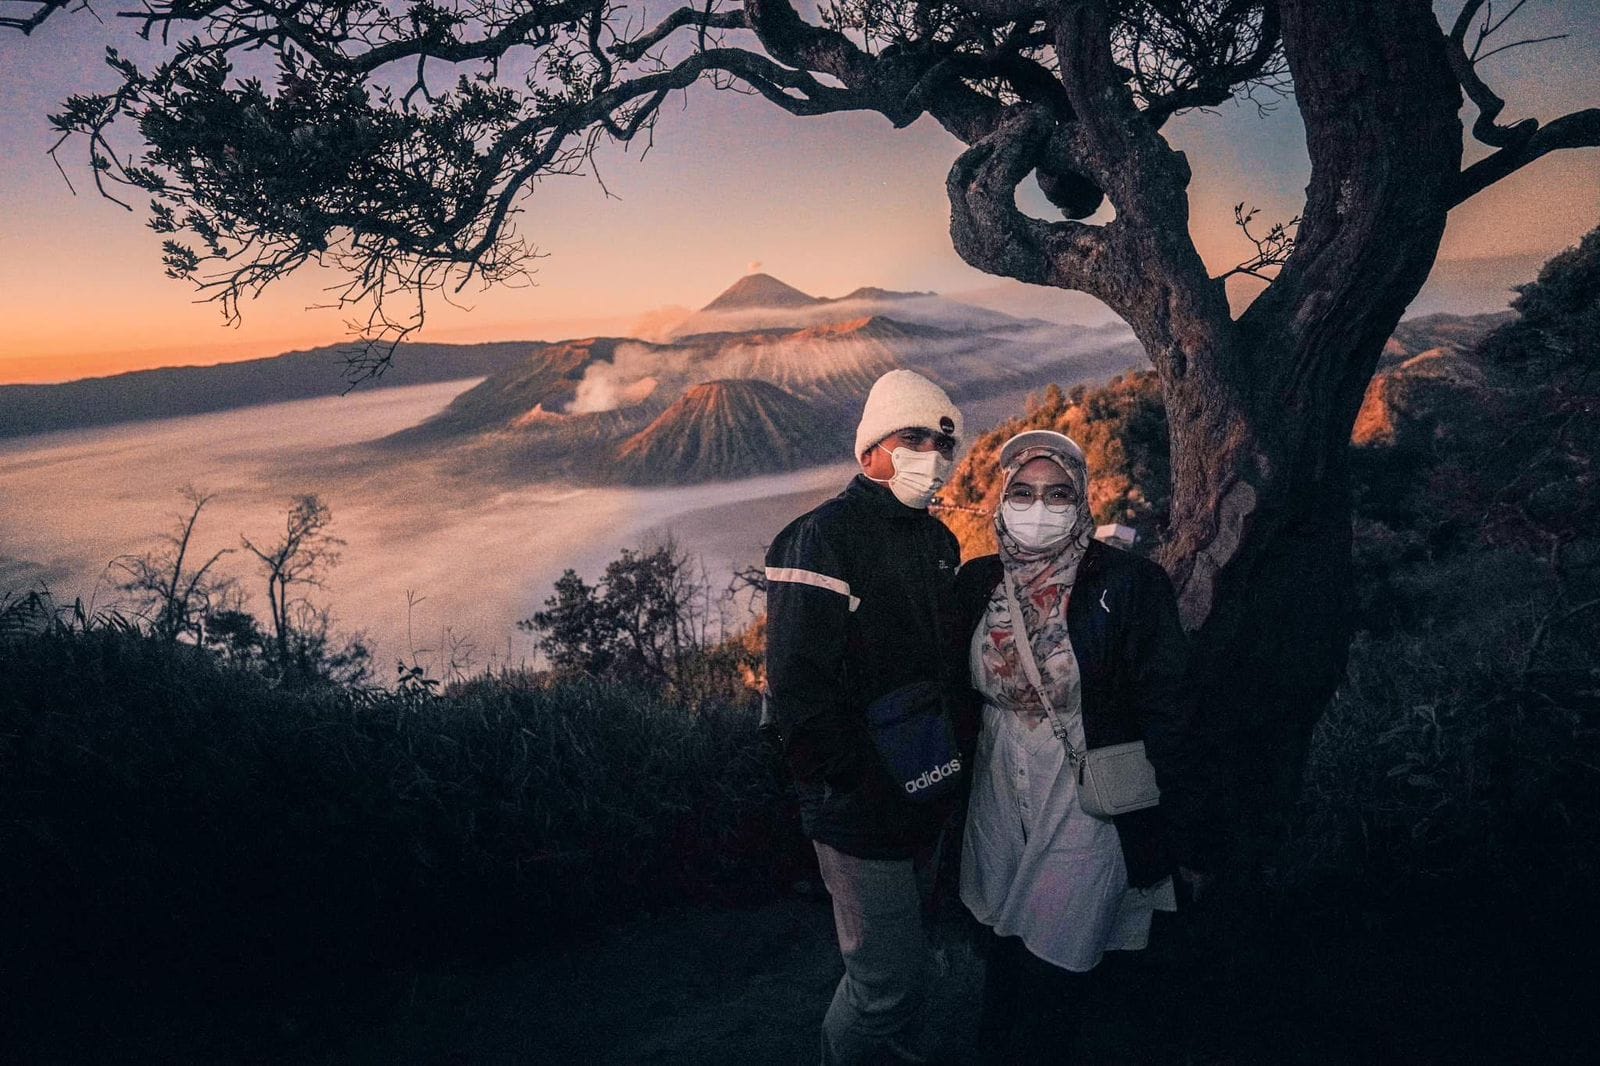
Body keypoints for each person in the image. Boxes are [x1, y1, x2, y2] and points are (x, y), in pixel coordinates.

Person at [953, 429, 1212, 1063]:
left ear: (1082, 499)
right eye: (1023, 492)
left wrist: (1191, 832)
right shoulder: (978, 582)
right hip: (996, 795)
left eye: (1058, 493)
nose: (1039, 507)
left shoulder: (1128, 585)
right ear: (1001, 498)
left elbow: (1168, 712)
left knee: (1058, 967)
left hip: (1085, 801)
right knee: (1005, 955)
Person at [763, 368, 968, 1065]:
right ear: (871, 449)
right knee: (884, 985)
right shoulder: (821, 538)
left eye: (944, 445)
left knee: (909, 967)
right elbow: (798, 691)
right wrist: (857, 784)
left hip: (925, 794)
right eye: (913, 437)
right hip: (860, 811)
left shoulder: (939, 545)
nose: (931, 457)